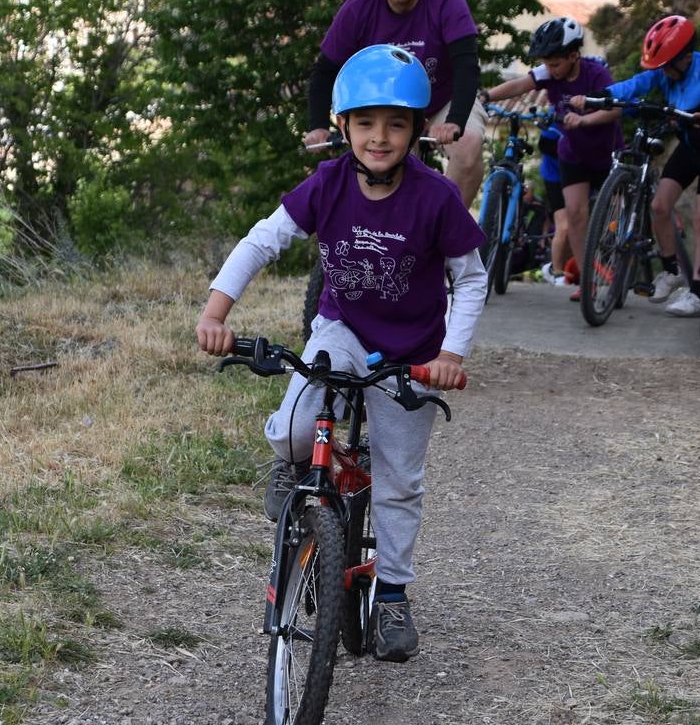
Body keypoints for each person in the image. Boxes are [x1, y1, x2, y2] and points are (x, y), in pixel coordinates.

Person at [198, 44, 487, 662]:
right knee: (303, 416)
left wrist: (452, 355)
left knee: (400, 480)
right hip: (343, 328)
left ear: (416, 130)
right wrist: (216, 312)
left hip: (412, 351)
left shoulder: (436, 198)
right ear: (344, 127)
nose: (379, 138)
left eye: (396, 124)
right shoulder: (327, 185)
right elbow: (260, 243)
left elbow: (471, 279)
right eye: (365, 123)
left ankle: (392, 597)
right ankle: (289, 464)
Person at [303, 0, 488, 208]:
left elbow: (467, 67)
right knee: (380, 166)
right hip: (390, 107)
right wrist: (317, 126)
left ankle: (449, 231)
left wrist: (456, 121)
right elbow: (325, 70)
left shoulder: (447, 1)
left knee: (468, 144)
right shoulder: (358, 8)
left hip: (443, 101)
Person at [568, 14, 700, 317]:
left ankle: (698, 291)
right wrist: (598, 97)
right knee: (660, 206)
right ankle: (671, 269)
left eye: (665, 67)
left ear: (685, 58)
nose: (662, 73)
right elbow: (635, 85)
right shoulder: (664, 71)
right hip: (688, 146)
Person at [484, 16, 623, 302]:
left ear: (574, 56)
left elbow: (614, 110)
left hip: (606, 153)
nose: (550, 69)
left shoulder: (596, 74)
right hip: (573, 154)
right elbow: (520, 85)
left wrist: (585, 121)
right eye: (547, 64)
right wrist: (485, 96)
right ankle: (588, 281)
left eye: (556, 63)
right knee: (574, 214)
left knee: (614, 220)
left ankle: (620, 266)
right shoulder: (549, 72)